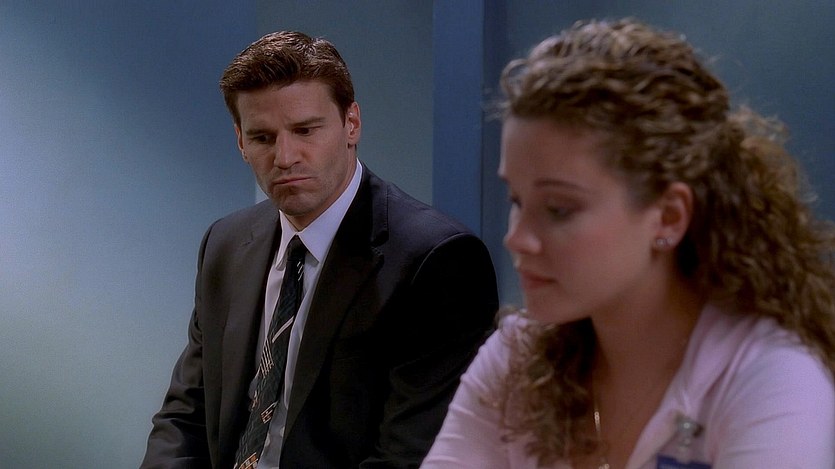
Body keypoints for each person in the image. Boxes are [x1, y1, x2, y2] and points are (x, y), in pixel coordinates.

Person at [422, 18, 835, 469]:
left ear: (669, 216)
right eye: (517, 201)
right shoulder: (515, 360)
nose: (516, 238)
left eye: (558, 209)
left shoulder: (771, 378)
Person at [141, 31, 499, 469]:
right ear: (240, 142)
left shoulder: (436, 260)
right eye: (262, 138)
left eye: (305, 130)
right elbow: (185, 418)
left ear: (352, 124)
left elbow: (409, 457)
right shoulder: (225, 244)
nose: (285, 157)